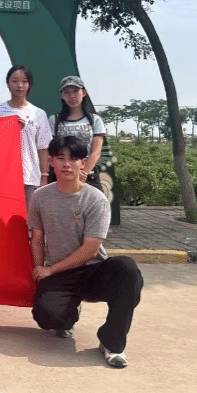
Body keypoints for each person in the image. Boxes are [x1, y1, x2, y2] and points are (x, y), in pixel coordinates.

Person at [28, 135, 143, 368]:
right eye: (61, 158)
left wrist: (50, 270)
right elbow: (37, 238)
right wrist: (40, 269)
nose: (67, 164)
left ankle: (112, 343)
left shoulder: (96, 199)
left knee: (127, 270)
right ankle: (69, 312)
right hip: (61, 273)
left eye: (73, 159)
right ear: (51, 161)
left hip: (93, 271)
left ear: (83, 163)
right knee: (47, 318)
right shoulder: (40, 197)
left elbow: (90, 250)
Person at [0, 65, 52, 205]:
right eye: (15, 81)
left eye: (24, 81)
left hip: (30, 176)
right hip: (3, 176)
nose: (19, 85)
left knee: (30, 216)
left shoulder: (39, 113)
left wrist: (44, 176)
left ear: (29, 84)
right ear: (8, 84)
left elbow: (43, 147)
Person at [48, 76, 106, 191]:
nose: (72, 96)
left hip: (87, 176)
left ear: (84, 92)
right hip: (61, 176)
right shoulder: (54, 120)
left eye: (75, 91)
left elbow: (96, 151)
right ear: (61, 95)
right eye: (67, 92)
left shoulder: (95, 120)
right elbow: (49, 150)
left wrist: (82, 173)